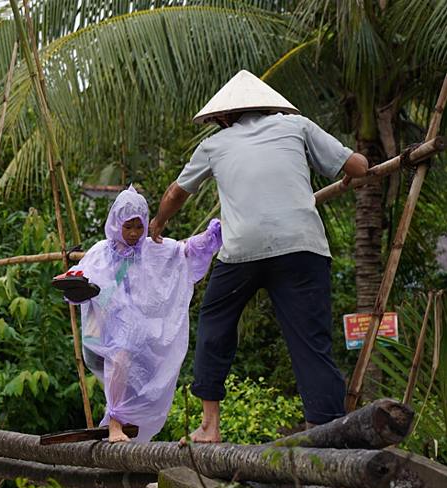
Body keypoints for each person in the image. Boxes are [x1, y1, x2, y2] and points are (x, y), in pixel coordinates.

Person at [147, 70, 370, 445]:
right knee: (312, 341)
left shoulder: (215, 145)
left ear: (223, 117)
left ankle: (209, 426)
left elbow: (175, 192)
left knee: (215, 324)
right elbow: (359, 167)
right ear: (268, 107)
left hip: (242, 251)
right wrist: (350, 175)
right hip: (302, 246)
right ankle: (327, 433)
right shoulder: (296, 126)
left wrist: (158, 223)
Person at [57, 187, 222, 442]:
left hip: (134, 337)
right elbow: (83, 274)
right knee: (119, 357)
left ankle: (123, 424)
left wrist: (210, 237)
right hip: (102, 334)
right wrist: (72, 281)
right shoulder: (102, 251)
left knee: (131, 370)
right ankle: (115, 423)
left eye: (139, 226)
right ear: (116, 224)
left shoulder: (152, 248)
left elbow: (183, 251)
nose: (134, 233)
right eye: (128, 226)